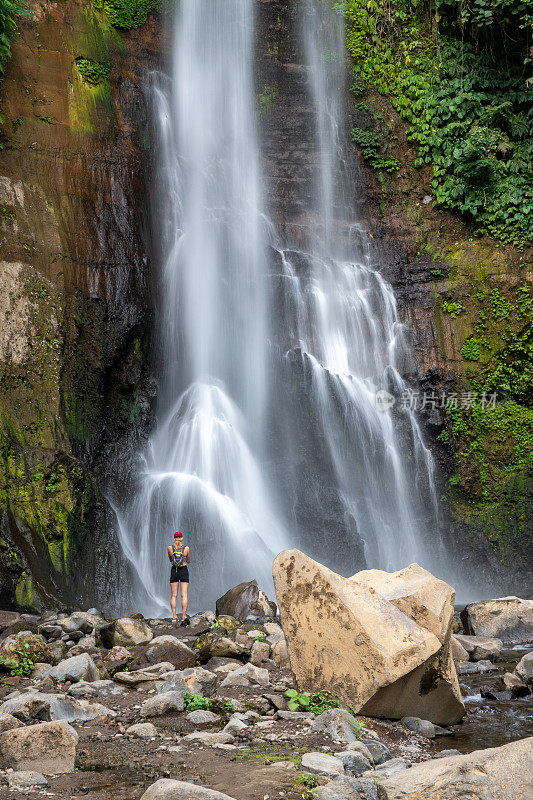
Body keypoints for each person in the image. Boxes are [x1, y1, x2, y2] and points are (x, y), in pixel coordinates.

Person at [168, 531, 190, 623]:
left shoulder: (170, 548)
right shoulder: (186, 548)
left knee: (174, 595)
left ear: (174, 538)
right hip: (183, 570)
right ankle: (184, 616)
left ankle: (174, 616)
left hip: (174, 570)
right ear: (182, 538)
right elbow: (188, 560)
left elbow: (170, 560)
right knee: (184, 594)